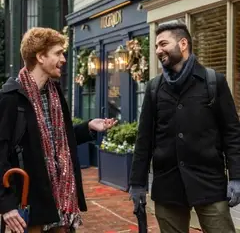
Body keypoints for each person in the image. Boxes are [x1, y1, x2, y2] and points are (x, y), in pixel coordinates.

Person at [0, 27, 117, 233]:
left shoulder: (54, 94)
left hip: (61, 207)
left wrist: (88, 127)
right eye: (58, 53)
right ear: (40, 57)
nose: (63, 59)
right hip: (29, 207)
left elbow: (58, 138)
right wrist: (6, 205)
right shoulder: (10, 99)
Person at [129, 22, 240, 233]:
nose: (158, 50)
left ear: (183, 44)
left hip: (209, 182)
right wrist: (137, 183)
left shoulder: (213, 81)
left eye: (163, 44)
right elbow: (144, 140)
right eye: (156, 46)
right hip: (167, 185)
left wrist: (236, 176)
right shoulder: (154, 88)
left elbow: (232, 133)